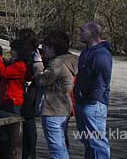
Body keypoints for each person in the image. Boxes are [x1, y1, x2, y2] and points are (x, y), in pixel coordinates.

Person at [32, 31, 78, 159]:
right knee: (62, 143)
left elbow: (41, 80)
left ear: (54, 47)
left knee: (56, 147)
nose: (43, 49)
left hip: (52, 108)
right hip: (64, 107)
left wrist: (38, 64)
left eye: (46, 46)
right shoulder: (71, 60)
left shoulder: (57, 63)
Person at [0, 39, 33, 159]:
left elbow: (1, 72)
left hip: (13, 102)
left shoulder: (20, 66)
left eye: (13, 49)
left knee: (12, 135)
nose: (11, 51)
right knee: (4, 134)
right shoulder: (16, 64)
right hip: (6, 101)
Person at [75, 21, 112, 159]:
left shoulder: (101, 54)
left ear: (92, 33)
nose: (79, 33)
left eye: (82, 30)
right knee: (87, 141)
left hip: (94, 105)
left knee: (97, 142)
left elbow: (102, 81)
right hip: (82, 102)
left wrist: (91, 101)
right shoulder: (85, 52)